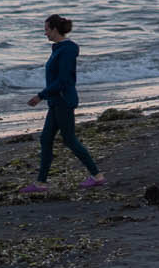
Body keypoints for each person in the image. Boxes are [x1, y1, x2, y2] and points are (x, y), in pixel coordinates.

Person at [25, 13, 105, 191]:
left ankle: (97, 175)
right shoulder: (59, 48)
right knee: (46, 139)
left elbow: (63, 80)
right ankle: (41, 182)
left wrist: (40, 95)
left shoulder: (67, 50)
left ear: (54, 29)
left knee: (69, 139)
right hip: (56, 102)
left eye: (46, 30)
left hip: (63, 100)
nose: (45, 33)